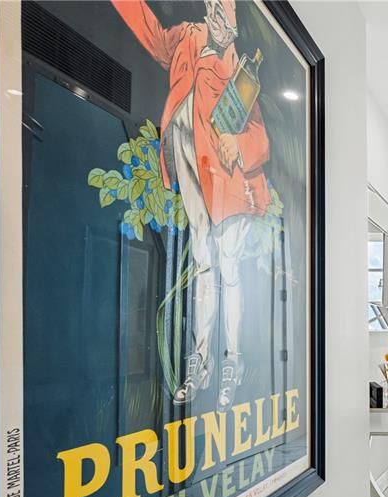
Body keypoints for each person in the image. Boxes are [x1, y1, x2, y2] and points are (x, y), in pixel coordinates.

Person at [112, 0, 271, 412]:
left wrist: (239, 143)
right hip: (187, 166)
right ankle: (200, 363)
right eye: (216, 13)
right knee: (203, 265)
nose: (221, 24)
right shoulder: (186, 37)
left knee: (229, 269)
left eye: (228, 20)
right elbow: (150, 32)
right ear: (208, 11)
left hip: (227, 182)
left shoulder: (240, 70)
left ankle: (231, 362)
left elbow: (258, 137)